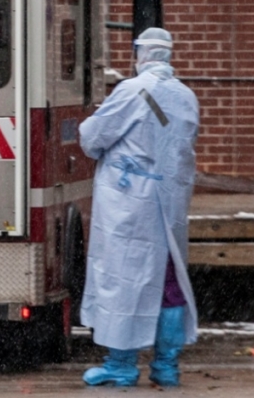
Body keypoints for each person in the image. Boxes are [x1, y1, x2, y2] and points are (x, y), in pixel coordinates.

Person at [77, 27, 200, 388]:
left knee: (122, 279)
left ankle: (121, 364)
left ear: (141, 54)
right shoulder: (186, 96)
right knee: (167, 280)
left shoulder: (130, 91)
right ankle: (166, 365)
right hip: (170, 200)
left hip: (128, 204)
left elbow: (91, 137)